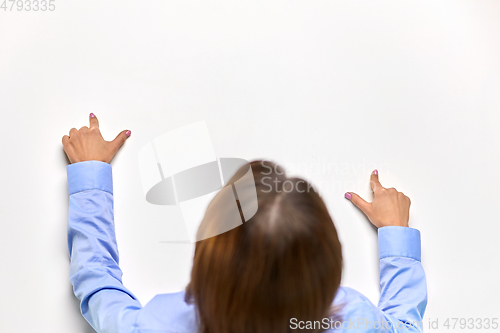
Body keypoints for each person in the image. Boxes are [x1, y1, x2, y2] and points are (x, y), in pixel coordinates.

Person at [62, 114, 427, 333]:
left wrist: (90, 175)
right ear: (329, 271)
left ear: (207, 256)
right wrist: (396, 234)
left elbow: (98, 286)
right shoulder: (354, 319)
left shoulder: (158, 325)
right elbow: (405, 327)